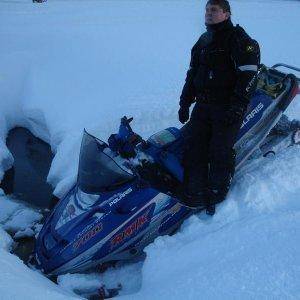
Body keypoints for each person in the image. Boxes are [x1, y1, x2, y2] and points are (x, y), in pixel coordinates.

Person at [178, 0, 260, 214]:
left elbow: (249, 76)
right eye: (206, 10)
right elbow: (192, 74)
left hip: (227, 106)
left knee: (219, 150)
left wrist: (238, 106)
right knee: (193, 145)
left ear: (226, 14)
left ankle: (217, 192)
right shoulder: (203, 40)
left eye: (214, 10)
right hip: (204, 105)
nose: (208, 14)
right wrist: (185, 102)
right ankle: (194, 190)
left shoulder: (240, 40)